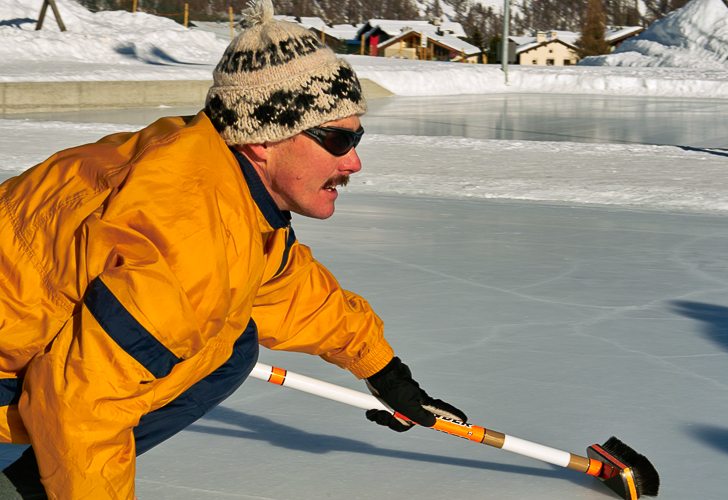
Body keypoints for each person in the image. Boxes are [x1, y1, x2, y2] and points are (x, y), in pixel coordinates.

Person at [0, 1, 466, 498]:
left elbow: (286, 288)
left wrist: (385, 373)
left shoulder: (214, 170)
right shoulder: (191, 233)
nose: (353, 161)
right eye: (336, 139)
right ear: (263, 139)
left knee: (231, 340)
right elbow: (83, 406)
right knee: (213, 347)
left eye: (358, 137)